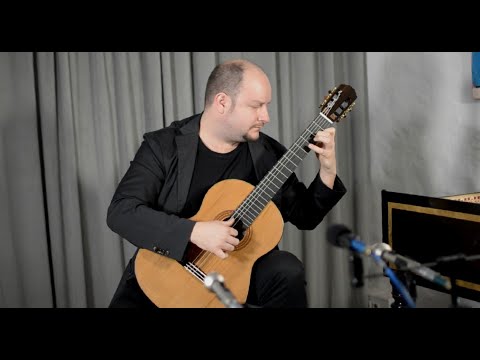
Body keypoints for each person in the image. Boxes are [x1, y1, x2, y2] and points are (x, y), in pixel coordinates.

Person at [106, 58, 347, 308]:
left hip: (234, 274)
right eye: (256, 106)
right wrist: (196, 232)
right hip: (164, 276)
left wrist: (328, 169)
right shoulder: (163, 147)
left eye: (267, 106)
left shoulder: (267, 154)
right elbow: (121, 212)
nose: (265, 117)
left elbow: (305, 216)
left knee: (287, 269)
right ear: (222, 102)